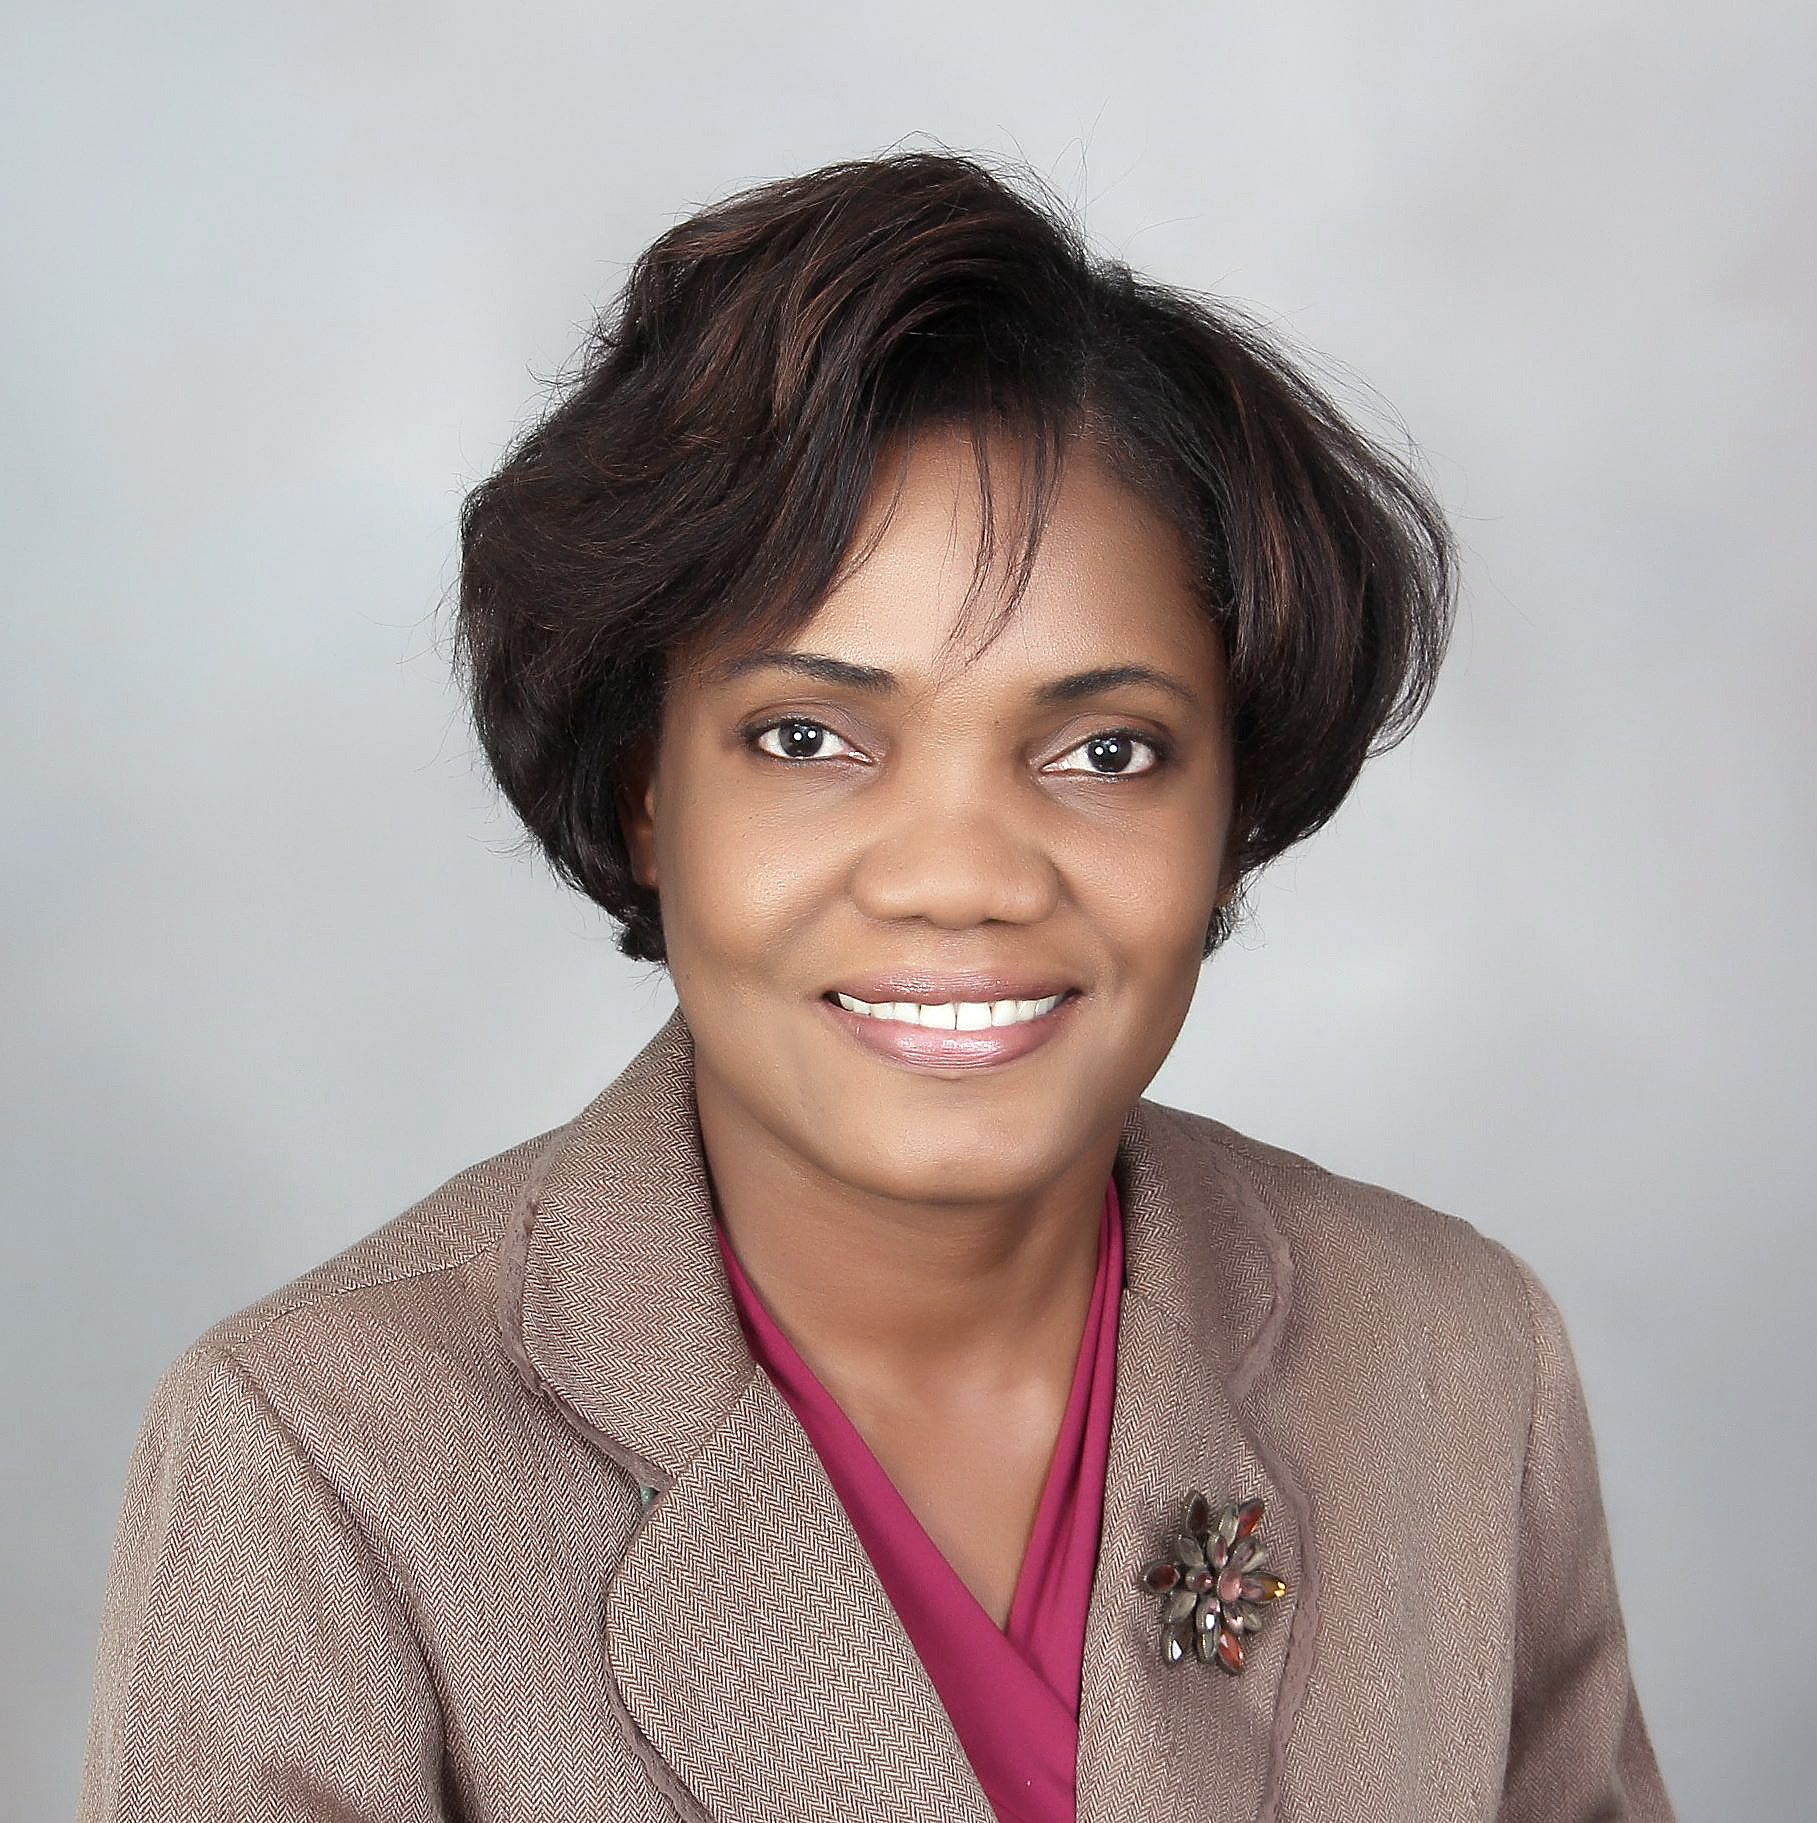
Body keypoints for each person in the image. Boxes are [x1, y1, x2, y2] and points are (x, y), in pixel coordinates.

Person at [76, 150, 1674, 1823]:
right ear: (644, 791)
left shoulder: (1448, 1356)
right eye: (807, 737)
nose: (958, 875)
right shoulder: (321, 1454)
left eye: (1104, 750)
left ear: (1233, 809)